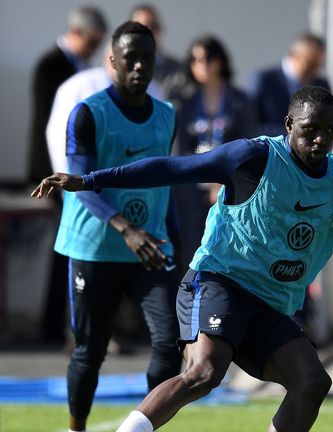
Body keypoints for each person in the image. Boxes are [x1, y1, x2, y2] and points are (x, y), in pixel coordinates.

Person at [32, 85, 333, 432]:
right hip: (218, 281)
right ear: (289, 126)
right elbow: (174, 168)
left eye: (328, 132)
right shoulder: (252, 158)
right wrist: (90, 180)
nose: (320, 141)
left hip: (270, 303)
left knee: (313, 382)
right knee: (205, 373)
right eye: (310, 131)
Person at [44, 21, 182, 432]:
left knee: (169, 343)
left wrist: (176, 242)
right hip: (95, 247)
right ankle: (77, 428)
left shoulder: (167, 115)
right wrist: (126, 228)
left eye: (147, 58)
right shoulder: (88, 113)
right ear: (112, 62)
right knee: (90, 351)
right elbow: (79, 185)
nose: (140, 67)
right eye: (131, 59)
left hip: (150, 247)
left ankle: (145, 427)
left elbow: (166, 183)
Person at [32, 5, 107, 344]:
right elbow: (51, 127)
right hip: (54, 172)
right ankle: (57, 325)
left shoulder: (83, 69)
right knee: (66, 247)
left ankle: (62, 323)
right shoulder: (51, 66)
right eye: (93, 40)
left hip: (73, 173)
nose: (95, 47)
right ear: (77, 32)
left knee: (69, 246)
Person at [174, 34, 255, 269]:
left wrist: (222, 182)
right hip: (194, 190)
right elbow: (182, 150)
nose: (200, 64)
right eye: (194, 59)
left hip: (231, 189)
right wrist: (206, 181)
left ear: (220, 61)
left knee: (230, 252)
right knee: (193, 252)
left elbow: (247, 146)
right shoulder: (185, 103)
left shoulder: (240, 101)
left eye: (206, 58)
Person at [46, 46, 164, 173]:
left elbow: (164, 135)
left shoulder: (153, 90)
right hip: (88, 179)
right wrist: (69, 179)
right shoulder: (79, 86)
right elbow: (59, 135)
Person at [250, 33, 330, 136]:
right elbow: (251, 124)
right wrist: (295, 134)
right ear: (295, 56)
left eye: (319, 65)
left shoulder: (321, 84)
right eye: (311, 64)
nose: (315, 70)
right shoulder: (264, 80)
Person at [130, 4, 192, 103]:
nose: (150, 32)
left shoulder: (178, 70)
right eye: (143, 28)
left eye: (154, 26)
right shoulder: (122, 68)